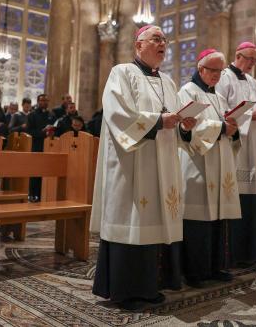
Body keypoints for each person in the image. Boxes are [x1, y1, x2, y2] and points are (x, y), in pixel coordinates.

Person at [91, 25, 196, 310]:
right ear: (139, 45)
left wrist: (184, 126)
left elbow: (174, 124)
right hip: (132, 162)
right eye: (156, 39)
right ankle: (126, 290)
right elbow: (118, 115)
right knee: (133, 221)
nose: (163, 43)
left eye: (165, 39)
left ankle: (153, 284)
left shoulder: (169, 81)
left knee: (156, 223)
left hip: (163, 161)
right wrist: (160, 121)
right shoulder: (122, 73)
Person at [178, 49, 241, 288]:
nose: (216, 75)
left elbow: (225, 127)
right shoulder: (187, 91)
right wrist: (222, 128)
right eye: (212, 70)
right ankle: (195, 271)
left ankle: (216, 266)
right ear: (200, 68)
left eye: (220, 71)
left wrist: (233, 128)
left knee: (217, 219)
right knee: (198, 220)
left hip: (219, 162)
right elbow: (188, 129)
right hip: (197, 165)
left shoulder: (220, 97)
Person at [216, 41, 256, 266]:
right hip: (235, 143)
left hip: (254, 143)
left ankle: (253, 249)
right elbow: (220, 110)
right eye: (250, 59)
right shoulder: (223, 77)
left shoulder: (252, 81)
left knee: (253, 196)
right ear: (238, 56)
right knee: (237, 194)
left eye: (255, 60)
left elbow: (255, 109)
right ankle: (234, 252)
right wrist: (249, 117)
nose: (252, 64)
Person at [26, 93, 55, 201]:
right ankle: (33, 194)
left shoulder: (51, 115)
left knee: (45, 172)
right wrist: (43, 132)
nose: (44, 102)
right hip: (36, 146)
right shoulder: (32, 115)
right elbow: (29, 131)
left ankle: (43, 194)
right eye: (42, 100)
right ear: (38, 102)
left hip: (49, 147)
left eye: (46, 100)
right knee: (35, 172)